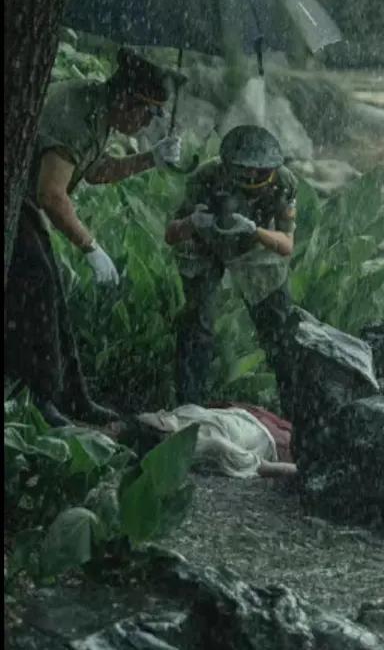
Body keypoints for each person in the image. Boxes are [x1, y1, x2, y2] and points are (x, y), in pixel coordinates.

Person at [5, 50, 184, 426]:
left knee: (52, 292)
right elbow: (51, 194)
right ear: (128, 100)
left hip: (22, 198)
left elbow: (95, 171)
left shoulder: (99, 110)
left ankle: (72, 395)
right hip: (15, 196)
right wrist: (90, 246)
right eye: (148, 113)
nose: (148, 122)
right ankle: (39, 398)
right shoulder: (81, 113)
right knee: (37, 285)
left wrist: (151, 158)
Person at [164, 125, 297, 407]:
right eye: (243, 171)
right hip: (205, 245)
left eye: (258, 173)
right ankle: (190, 404)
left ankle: (293, 403)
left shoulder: (283, 182)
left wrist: (254, 230)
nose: (250, 177)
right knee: (197, 325)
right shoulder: (207, 176)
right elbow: (171, 234)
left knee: (279, 324)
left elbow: (286, 245)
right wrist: (193, 222)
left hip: (254, 246)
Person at [116, 402, 296, 479]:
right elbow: (260, 465)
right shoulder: (199, 445)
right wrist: (298, 471)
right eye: (159, 417)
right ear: (162, 432)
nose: (161, 411)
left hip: (245, 413)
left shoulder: (176, 417)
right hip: (271, 439)